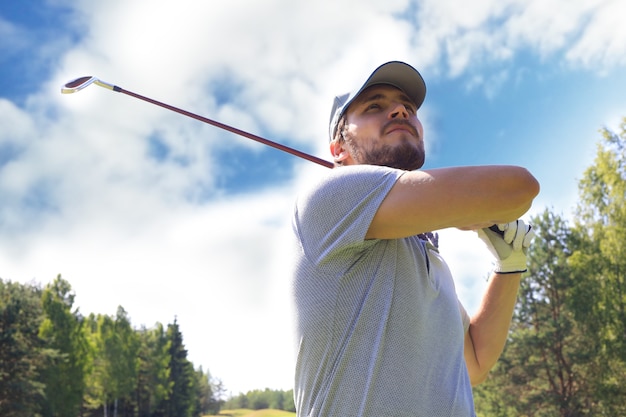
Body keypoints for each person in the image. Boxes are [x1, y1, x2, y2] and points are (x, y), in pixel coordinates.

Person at [290, 61, 540, 417]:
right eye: (374, 106)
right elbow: (518, 188)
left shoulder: (425, 252)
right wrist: (466, 211)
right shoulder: (331, 195)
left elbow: (475, 363)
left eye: (407, 106)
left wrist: (509, 268)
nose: (400, 109)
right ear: (337, 150)